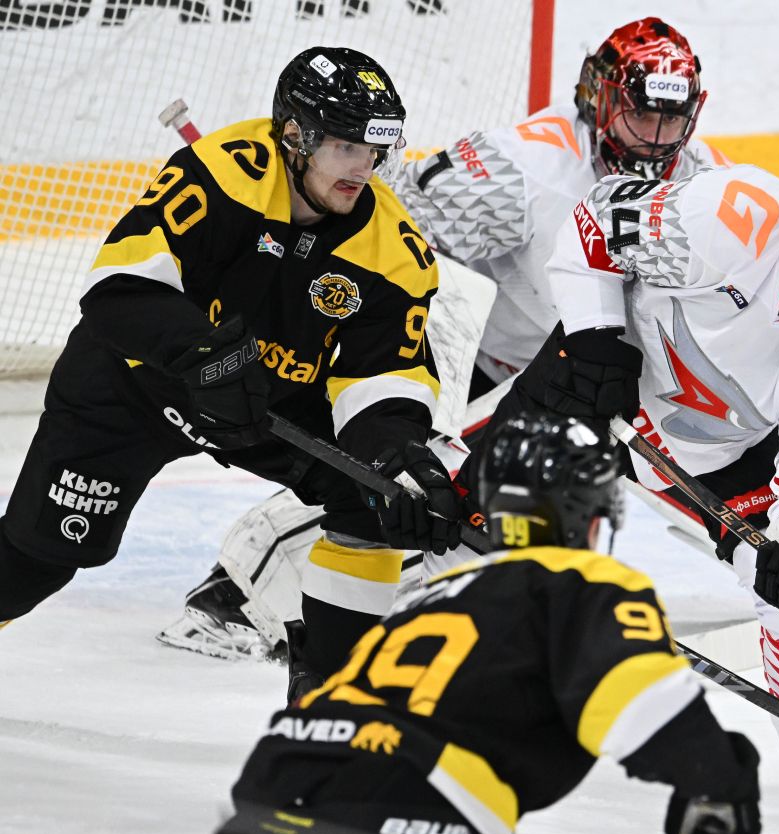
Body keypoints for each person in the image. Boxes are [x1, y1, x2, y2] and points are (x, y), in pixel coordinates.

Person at [157, 17, 728, 662]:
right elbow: (391, 231)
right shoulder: (522, 167)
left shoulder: (703, 181)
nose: (654, 138)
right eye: (640, 116)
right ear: (600, 97)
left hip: (588, 376)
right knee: (424, 482)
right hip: (478, 358)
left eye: (670, 120)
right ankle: (237, 593)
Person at [457, 137, 779, 834]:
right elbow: (595, 223)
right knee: (459, 528)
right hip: (597, 386)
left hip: (719, 448)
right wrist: (595, 338)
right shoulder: (730, 216)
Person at [0, 47, 461, 686]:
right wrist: (204, 354)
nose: (364, 168)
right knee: (38, 561)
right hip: (132, 384)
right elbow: (118, 288)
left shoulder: (395, 251)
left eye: (374, 150)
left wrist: (392, 451)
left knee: (370, 498)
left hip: (261, 404)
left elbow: (383, 376)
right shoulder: (222, 173)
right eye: (345, 148)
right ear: (296, 136)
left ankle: (332, 706)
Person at [210, 413, 761, 834]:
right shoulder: (579, 583)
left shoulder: (427, 604)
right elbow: (640, 698)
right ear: (594, 516)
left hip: (260, 820)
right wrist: (721, 784)